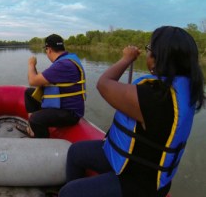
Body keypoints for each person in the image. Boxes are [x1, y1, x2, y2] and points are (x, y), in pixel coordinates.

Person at [59, 26, 205, 197]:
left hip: (140, 182)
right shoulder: (185, 90)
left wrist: (126, 58)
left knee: (68, 192)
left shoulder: (157, 98)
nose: (147, 53)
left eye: (149, 49)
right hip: (128, 158)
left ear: (160, 57)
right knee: (76, 152)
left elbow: (104, 84)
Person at [21, 34, 86, 138]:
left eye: (46, 50)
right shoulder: (66, 60)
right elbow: (42, 81)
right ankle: (32, 130)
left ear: (49, 49)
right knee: (29, 93)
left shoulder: (63, 64)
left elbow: (32, 81)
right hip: (62, 105)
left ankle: (44, 143)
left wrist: (31, 64)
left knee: (36, 119)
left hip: (70, 113)